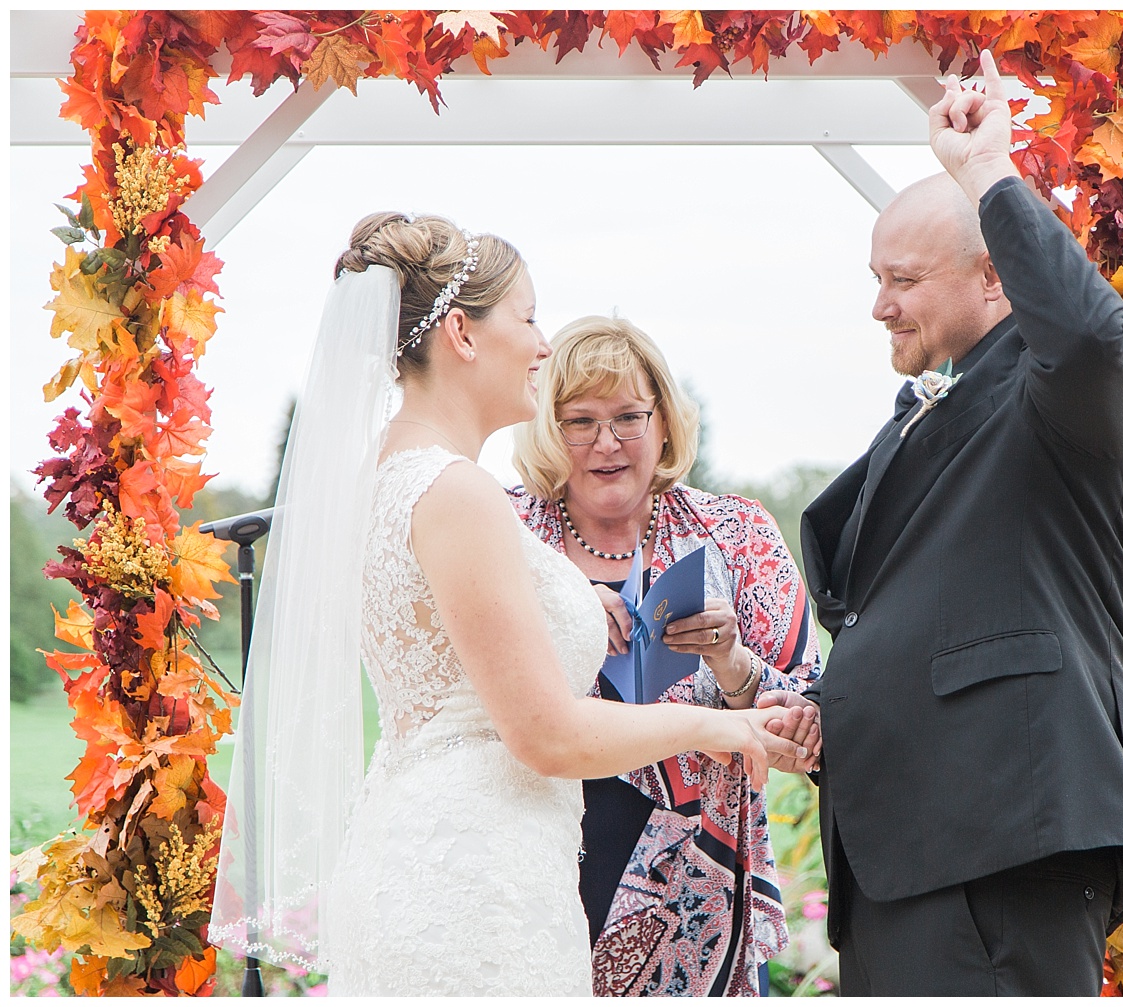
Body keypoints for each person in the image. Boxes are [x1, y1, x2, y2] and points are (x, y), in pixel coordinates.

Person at [207, 214, 807, 996]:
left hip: (432, 849)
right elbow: (546, 732)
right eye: (527, 316)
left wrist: (576, 604)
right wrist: (719, 724)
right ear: (461, 332)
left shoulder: (387, 477)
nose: (541, 345)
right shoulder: (461, 492)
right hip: (475, 882)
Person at [758, 50, 1123, 995]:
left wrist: (985, 175)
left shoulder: (1064, 394)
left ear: (994, 278)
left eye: (902, 278)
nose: (878, 304)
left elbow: (1094, 339)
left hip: (1001, 846)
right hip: (913, 849)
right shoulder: (941, 395)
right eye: (875, 275)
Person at [509, 316, 822, 996]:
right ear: (544, 427)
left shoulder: (736, 531)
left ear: (665, 423)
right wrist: (558, 605)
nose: (607, 442)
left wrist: (733, 662)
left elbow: (807, 740)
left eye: (628, 416)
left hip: (698, 894)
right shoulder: (506, 533)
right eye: (578, 421)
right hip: (530, 865)